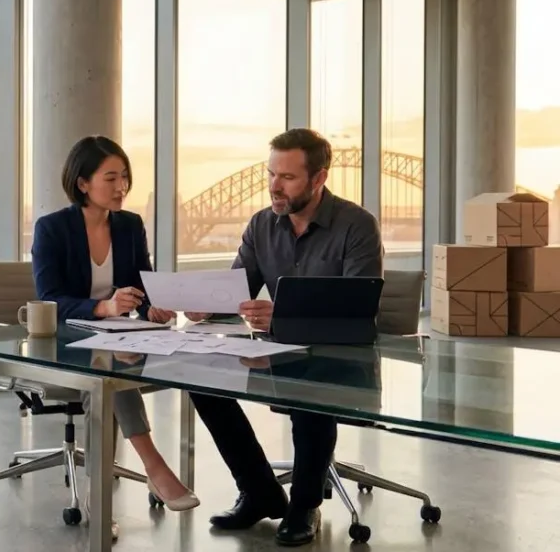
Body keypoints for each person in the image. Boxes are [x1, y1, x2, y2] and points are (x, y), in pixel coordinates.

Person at [183, 128, 382, 547]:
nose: (275, 185)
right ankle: (258, 491)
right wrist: (206, 305)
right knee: (200, 380)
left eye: (287, 177)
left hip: (340, 355)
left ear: (318, 178)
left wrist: (284, 314)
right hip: (280, 349)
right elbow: (237, 290)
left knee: (311, 394)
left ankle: (305, 504)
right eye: (271, 174)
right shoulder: (261, 225)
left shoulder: (357, 225)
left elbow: (358, 308)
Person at [32, 135, 200, 523]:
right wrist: (103, 306)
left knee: (113, 371)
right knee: (106, 377)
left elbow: (143, 281)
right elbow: (50, 296)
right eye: (110, 178)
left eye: (124, 176)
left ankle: (99, 495)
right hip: (67, 340)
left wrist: (153, 304)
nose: (121, 186)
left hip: (118, 337)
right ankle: (154, 466)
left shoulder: (129, 225)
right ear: (82, 183)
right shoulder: (52, 229)